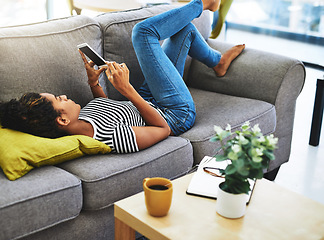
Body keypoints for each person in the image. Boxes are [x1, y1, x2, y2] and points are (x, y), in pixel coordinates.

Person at [0, 0, 245, 153]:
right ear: (62, 120)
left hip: (150, 98)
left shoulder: (81, 118)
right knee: (143, 32)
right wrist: (127, 91)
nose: (63, 95)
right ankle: (202, 4)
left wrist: (94, 82)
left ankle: (218, 62)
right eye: (58, 99)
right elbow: (163, 129)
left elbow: (103, 106)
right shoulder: (110, 138)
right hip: (174, 114)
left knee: (184, 30)